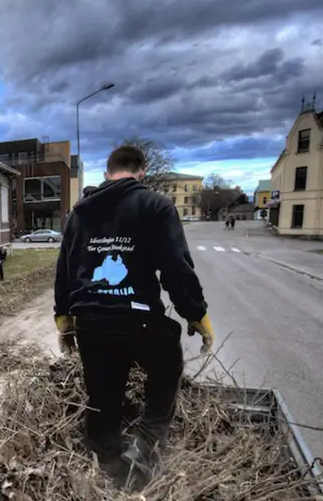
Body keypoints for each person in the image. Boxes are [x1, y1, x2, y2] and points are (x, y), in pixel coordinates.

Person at [53, 145, 215, 490]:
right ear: (141, 171)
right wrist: (196, 314)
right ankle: (145, 445)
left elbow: (65, 270)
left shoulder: (80, 212)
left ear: (107, 172)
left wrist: (64, 319)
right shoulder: (155, 205)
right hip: (139, 319)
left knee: (102, 395)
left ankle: (106, 468)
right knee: (167, 368)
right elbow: (176, 267)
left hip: (91, 322)